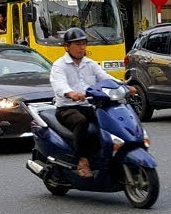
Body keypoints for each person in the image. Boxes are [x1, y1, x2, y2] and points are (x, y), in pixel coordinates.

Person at [49, 27, 123, 178]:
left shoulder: (90, 63)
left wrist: (124, 86)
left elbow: (105, 77)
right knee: (81, 122)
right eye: (77, 44)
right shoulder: (59, 65)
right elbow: (59, 85)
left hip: (89, 106)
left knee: (110, 120)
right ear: (67, 46)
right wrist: (71, 93)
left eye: (83, 43)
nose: (81, 47)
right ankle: (82, 160)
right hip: (67, 108)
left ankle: (107, 156)